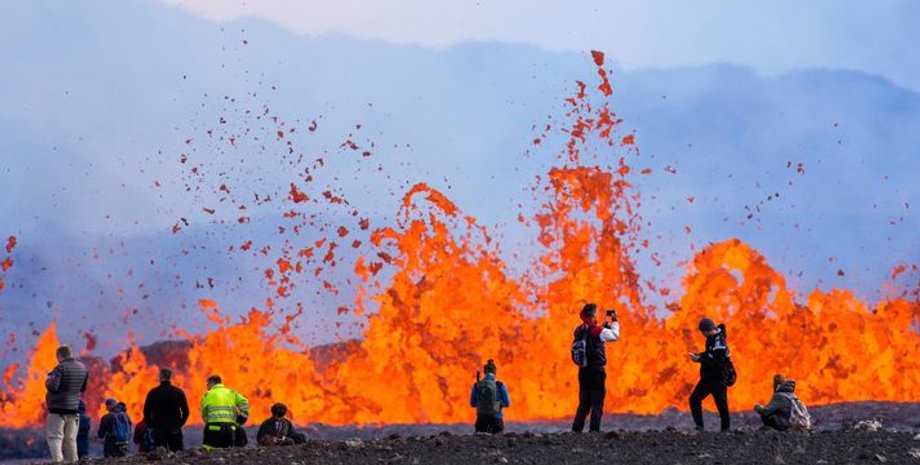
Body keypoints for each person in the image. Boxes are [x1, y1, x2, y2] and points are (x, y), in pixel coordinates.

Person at [571, 303, 620, 432]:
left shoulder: (578, 330)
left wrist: (601, 327)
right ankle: (594, 430)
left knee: (584, 402)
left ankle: (576, 429)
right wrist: (614, 320)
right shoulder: (598, 331)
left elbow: (590, 334)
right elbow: (615, 336)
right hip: (596, 372)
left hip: (583, 371)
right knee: (597, 402)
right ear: (593, 315)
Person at [44, 344, 89, 464]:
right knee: (70, 439)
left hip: (58, 410)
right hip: (74, 409)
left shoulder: (60, 368)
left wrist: (47, 380)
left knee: (55, 437)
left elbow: (53, 386)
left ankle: (58, 462)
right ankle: (73, 462)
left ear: (60, 355)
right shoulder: (82, 368)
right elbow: (83, 388)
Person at [688, 317, 732, 431]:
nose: (702, 334)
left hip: (718, 379)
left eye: (703, 332)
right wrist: (700, 355)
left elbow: (717, 362)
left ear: (708, 330)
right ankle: (699, 427)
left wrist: (699, 360)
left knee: (721, 405)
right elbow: (710, 354)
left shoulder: (720, 343)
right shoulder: (711, 339)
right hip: (708, 379)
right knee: (694, 399)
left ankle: (726, 430)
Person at [142, 367, 190, 451]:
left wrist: (151, 424)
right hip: (174, 428)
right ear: (170, 377)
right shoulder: (178, 392)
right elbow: (186, 411)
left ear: (161, 376)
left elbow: (147, 411)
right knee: (176, 454)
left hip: (159, 429)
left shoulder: (153, 392)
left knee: (160, 455)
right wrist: (179, 424)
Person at [201, 375, 250, 450]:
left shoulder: (207, 395)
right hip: (230, 429)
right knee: (227, 451)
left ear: (213, 383)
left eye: (208, 384)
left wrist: (210, 422)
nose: (207, 387)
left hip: (213, 429)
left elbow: (204, 415)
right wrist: (242, 418)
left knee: (209, 452)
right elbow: (245, 402)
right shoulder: (231, 393)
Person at [469, 359, 511, 434]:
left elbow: (472, 403)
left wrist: (483, 404)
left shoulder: (477, 385)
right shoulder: (500, 385)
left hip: (481, 420)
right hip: (496, 420)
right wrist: (496, 405)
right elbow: (507, 403)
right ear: (495, 372)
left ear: (484, 372)